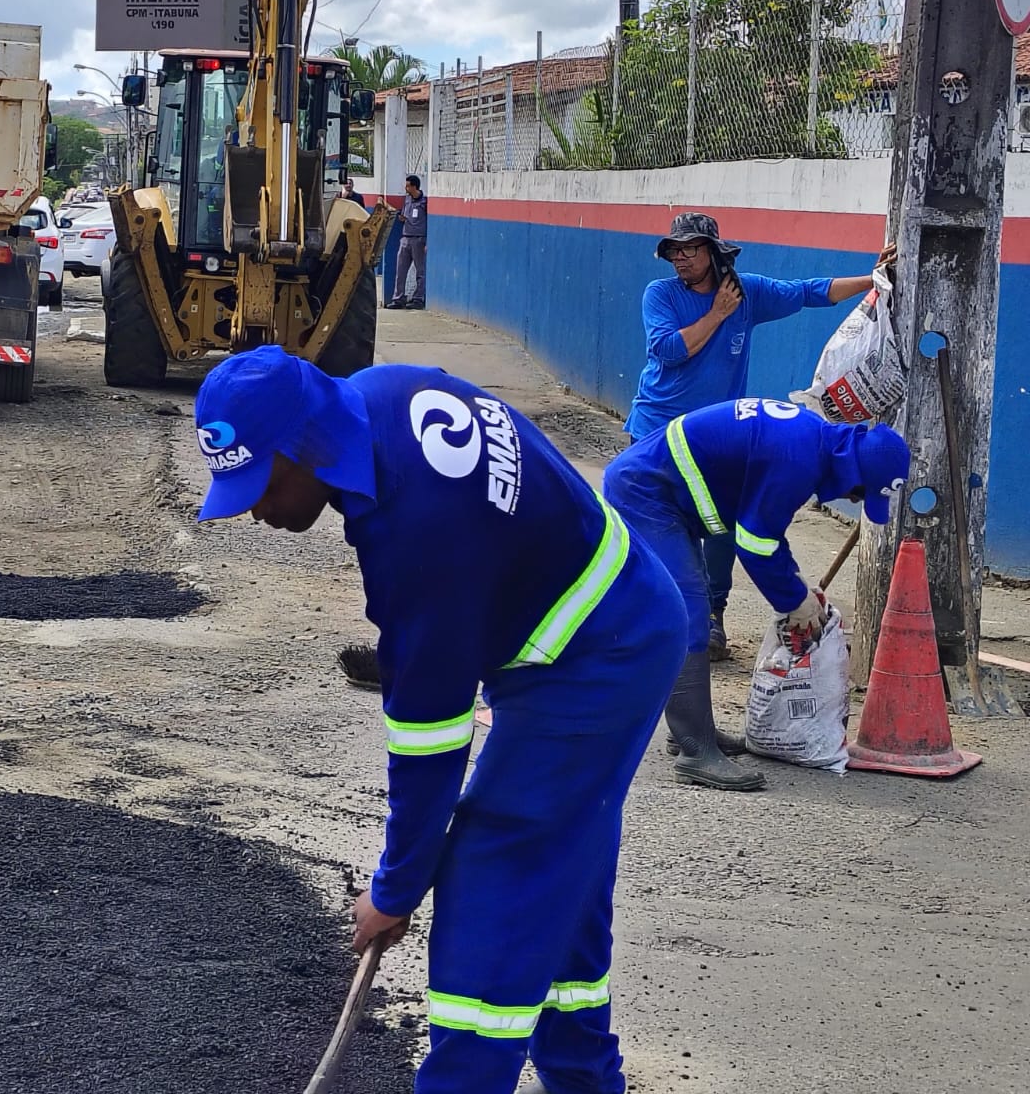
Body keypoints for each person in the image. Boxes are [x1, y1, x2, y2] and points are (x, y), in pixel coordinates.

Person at [193, 346, 687, 1094]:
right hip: (612, 614)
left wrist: (395, 889)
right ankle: (585, 1078)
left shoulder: (415, 529)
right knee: (560, 868)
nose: (254, 510)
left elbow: (430, 738)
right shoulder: (378, 395)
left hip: (597, 656)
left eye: (258, 483)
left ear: (302, 448)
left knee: (498, 869)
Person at [624, 212, 894, 660]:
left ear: (714, 253)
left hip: (716, 449)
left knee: (722, 529)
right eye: (675, 250)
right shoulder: (662, 295)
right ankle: (666, 622)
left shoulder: (747, 293)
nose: (681, 258)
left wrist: (874, 279)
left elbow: (811, 292)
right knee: (669, 533)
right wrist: (717, 315)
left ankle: (711, 617)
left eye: (691, 249)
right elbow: (670, 351)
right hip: (658, 432)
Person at [603, 397, 910, 791]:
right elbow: (756, 544)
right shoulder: (799, 459)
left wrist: (796, 587)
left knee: (688, 604)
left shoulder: (809, 442)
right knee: (688, 611)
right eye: (861, 493)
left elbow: (760, 532)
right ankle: (696, 750)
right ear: (854, 473)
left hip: (657, 490)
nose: (853, 500)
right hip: (645, 493)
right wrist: (794, 600)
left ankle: (691, 731)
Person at [387, 174, 428, 310]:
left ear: (414, 186)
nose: (406, 188)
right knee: (400, 269)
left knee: (420, 271)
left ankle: (418, 298)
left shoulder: (424, 202)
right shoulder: (407, 200)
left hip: (418, 238)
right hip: (405, 237)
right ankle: (398, 298)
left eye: (408, 185)